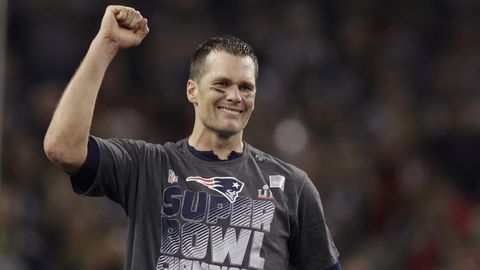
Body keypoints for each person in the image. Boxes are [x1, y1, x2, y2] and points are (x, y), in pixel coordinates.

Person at [44, 5, 341, 270]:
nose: (235, 96)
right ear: (192, 91)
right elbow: (62, 148)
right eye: (221, 84)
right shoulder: (148, 167)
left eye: (245, 87)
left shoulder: (293, 187)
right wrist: (105, 45)